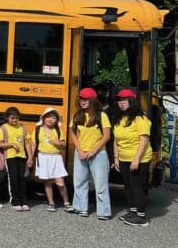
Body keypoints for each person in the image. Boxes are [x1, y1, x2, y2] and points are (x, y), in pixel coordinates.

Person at [111, 88, 152, 227]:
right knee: (128, 186)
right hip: (123, 158)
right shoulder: (120, 118)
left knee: (137, 187)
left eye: (124, 100)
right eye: (119, 101)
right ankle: (132, 212)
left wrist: (136, 159)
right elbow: (116, 140)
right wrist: (116, 157)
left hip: (139, 159)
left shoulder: (141, 118)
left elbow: (144, 140)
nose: (121, 103)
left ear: (132, 101)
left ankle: (141, 216)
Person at [70, 87, 112, 220]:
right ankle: (81, 208)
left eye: (86, 99)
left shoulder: (102, 115)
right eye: (81, 99)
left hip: (98, 154)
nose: (82, 101)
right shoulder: (77, 115)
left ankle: (104, 212)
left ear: (93, 100)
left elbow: (107, 136)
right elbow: (73, 134)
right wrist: (80, 151)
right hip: (81, 153)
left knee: (101, 184)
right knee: (79, 182)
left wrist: (93, 151)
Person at [34, 108, 72, 212]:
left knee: (60, 182)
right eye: (48, 117)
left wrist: (57, 143)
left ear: (56, 120)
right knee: (48, 182)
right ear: (43, 118)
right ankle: (51, 203)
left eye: (53, 117)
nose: (50, 119)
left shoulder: (58, 130)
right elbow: (34, 145)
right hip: (43, 157)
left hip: (56, 157)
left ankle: (66, 202)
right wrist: (30, 159)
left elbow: (64, 146)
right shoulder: (37, 130)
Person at [0, 106, 34, 211]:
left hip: (22, 156)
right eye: (12, 118)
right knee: (13, 179)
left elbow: (27, 143)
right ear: (7, 118)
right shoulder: (3, 128)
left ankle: (24, 202)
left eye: (16, 118)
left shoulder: (23, 127)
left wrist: (30, 157)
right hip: (10, 157)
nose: (14, 120)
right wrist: (11, 144)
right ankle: (15, 201)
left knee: (22, 179)